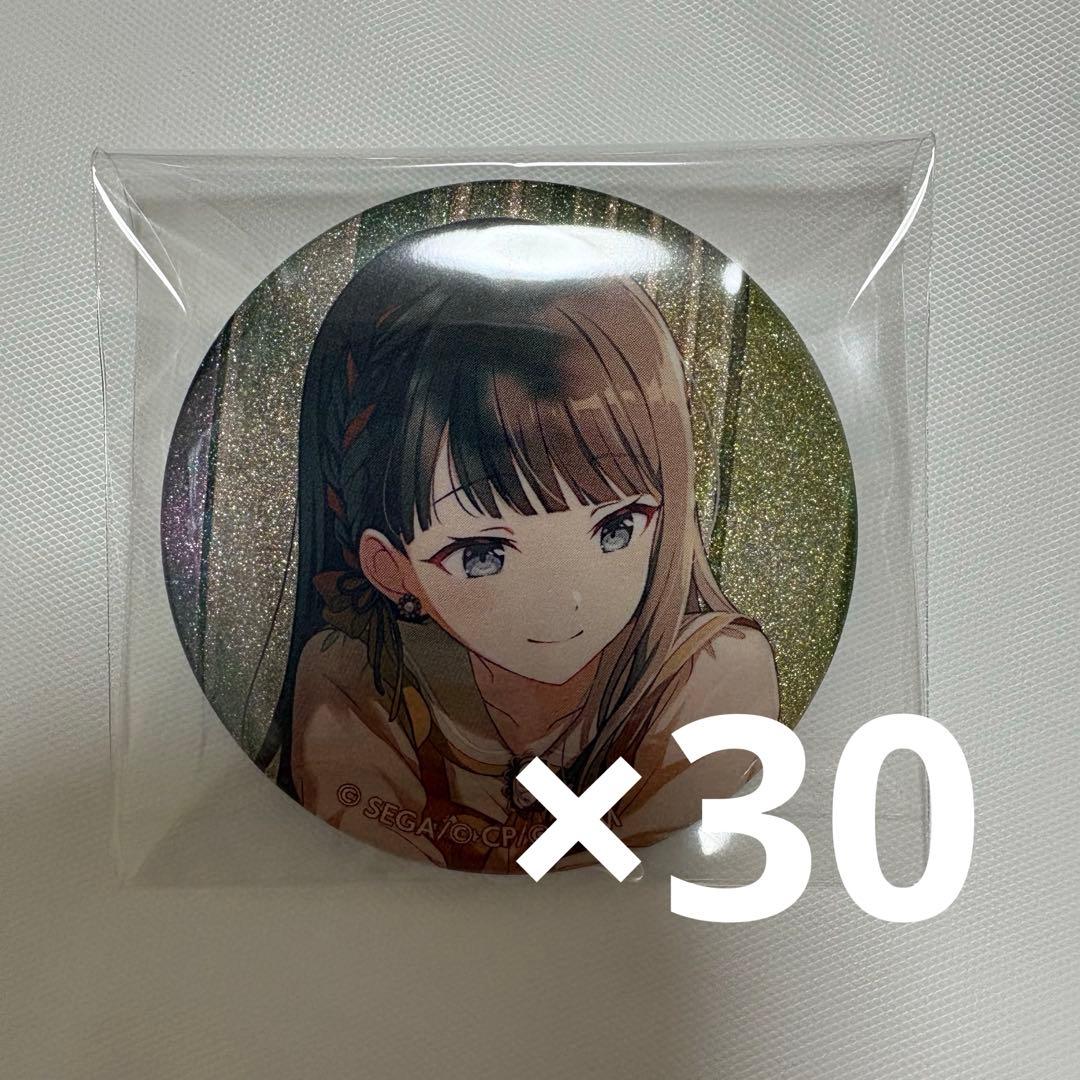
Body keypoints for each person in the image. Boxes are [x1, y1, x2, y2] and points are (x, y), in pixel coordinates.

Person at [257, 218, 779, 872]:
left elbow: (631, 880)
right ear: (392, 570)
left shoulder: (715, 675)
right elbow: (376, 865)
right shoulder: (358, 673)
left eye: (616, 528)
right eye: (484, 554)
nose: (566, 599)